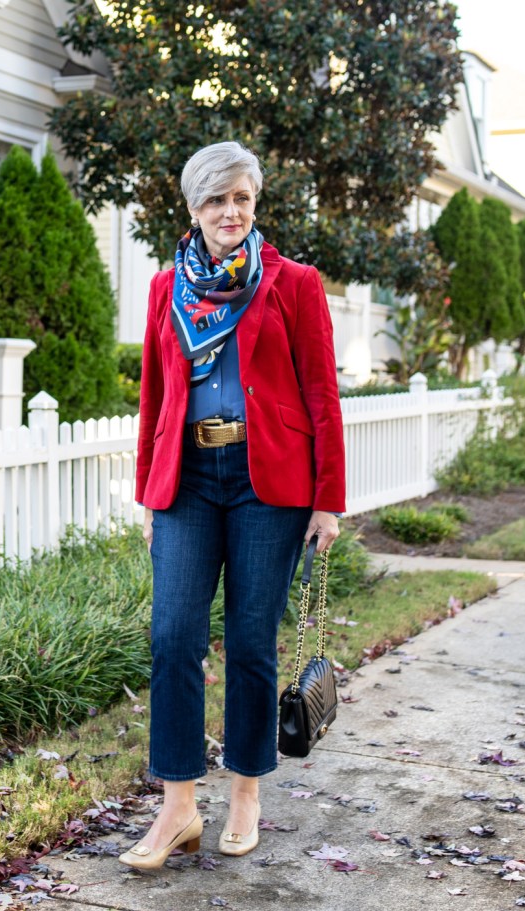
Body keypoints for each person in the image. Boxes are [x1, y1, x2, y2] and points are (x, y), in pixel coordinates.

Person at [119, 141, 345, 870]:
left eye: (242, 198)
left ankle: (246, 791)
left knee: (251, 641)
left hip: (267, 481)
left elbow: (321, 393)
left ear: (255, 204)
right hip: (187, 478)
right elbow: (156, 393)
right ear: (194, 209)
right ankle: (178, 807)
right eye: (216, 199)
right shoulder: (167, 287)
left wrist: (327, 501)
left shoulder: (294, 283)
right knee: (172, 636)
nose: (231, 211)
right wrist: (149, 491)